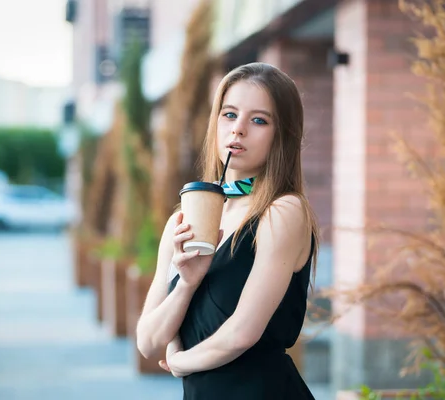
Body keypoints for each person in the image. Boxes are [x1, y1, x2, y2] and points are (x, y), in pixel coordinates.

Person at [136, 62, 320, 399]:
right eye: (229, 115)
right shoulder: (182, 219)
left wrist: (181, 362)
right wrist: (186, 284)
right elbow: (148, 341)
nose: (238, 130)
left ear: (282, 135)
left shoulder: (283, 211)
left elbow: (243, 333)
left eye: (259, 120)